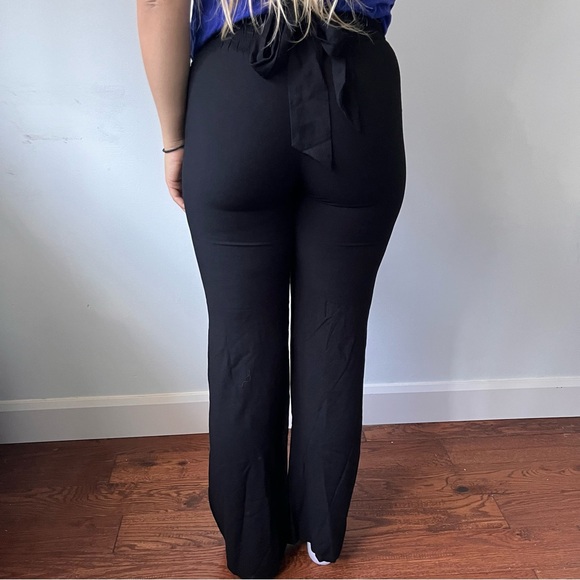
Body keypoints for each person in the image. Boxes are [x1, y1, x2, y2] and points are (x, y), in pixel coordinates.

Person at [136, 0, 405, 577]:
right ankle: (322, 534)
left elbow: (158, 4)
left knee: (242, 335)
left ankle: (253, 546)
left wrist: (173, 141)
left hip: (235, 93)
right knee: (336, 324)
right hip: (358, 88)